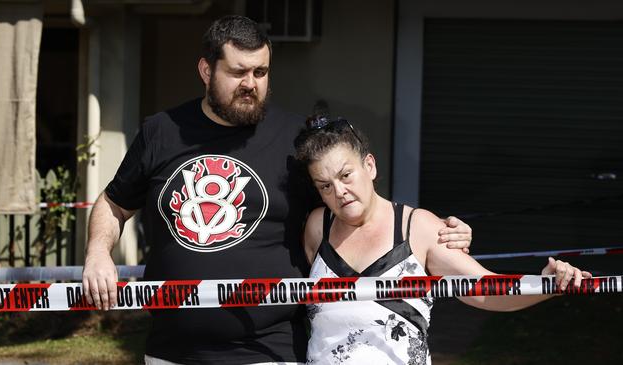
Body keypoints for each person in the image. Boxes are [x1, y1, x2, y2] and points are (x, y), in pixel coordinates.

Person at [81, 16, 473, 365]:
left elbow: (355, 209)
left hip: (270, 350)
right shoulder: (160, 132)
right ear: (205, 70)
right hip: (172, 350)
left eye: (261, 72)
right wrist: (98, 252)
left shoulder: (294, 140)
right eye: (238, 72)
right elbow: (114, 204)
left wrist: (432, 233)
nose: (251, 84)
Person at [293, 116, 592, 365]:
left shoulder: (418, 227)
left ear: (369, 166)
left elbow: (485, 290)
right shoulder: (317, 227)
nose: (339, 191)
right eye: (325, 186)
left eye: (346, 175)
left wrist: (547, 284)